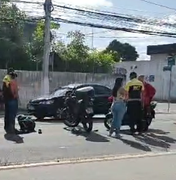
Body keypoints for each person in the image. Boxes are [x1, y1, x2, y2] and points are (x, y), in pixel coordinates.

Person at [2, 68, 19, 134]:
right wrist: (13, 95)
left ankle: (7, 127)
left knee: (8, 114)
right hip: (11, 99)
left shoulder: (7, 78)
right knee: (11, 114)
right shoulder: (8, 78)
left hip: (8, 99)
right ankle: (11, 128)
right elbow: (8, 88)